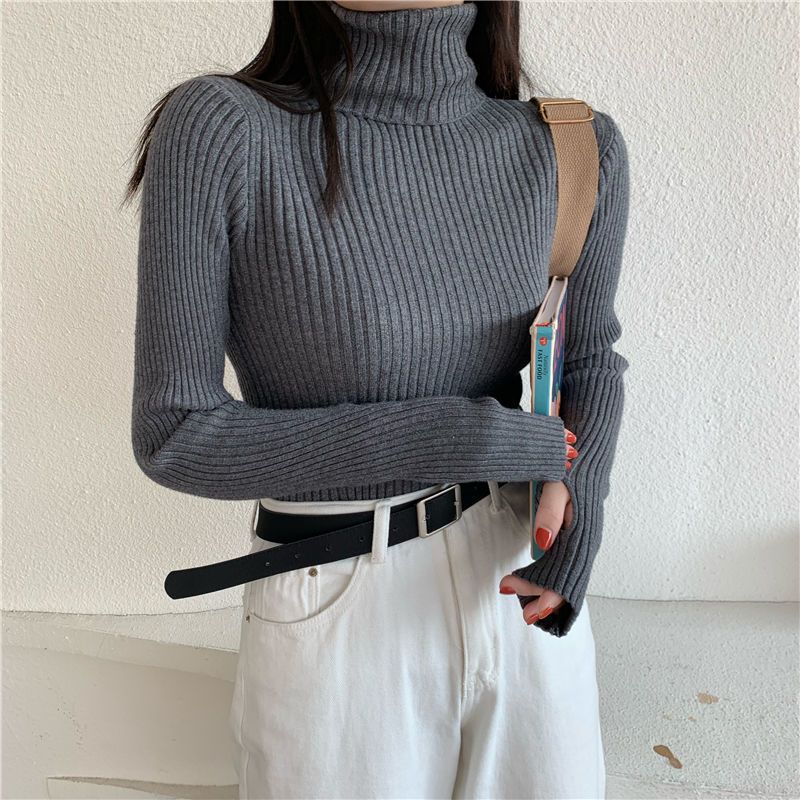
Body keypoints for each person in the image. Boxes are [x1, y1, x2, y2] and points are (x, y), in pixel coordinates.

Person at [124, 0, 630, 797]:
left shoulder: (570, 146)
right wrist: (458, 437)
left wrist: (582, 514)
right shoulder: (224, 130)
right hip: (337, 597)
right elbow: (176, 434)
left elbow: (590, 355)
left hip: (519, 582)